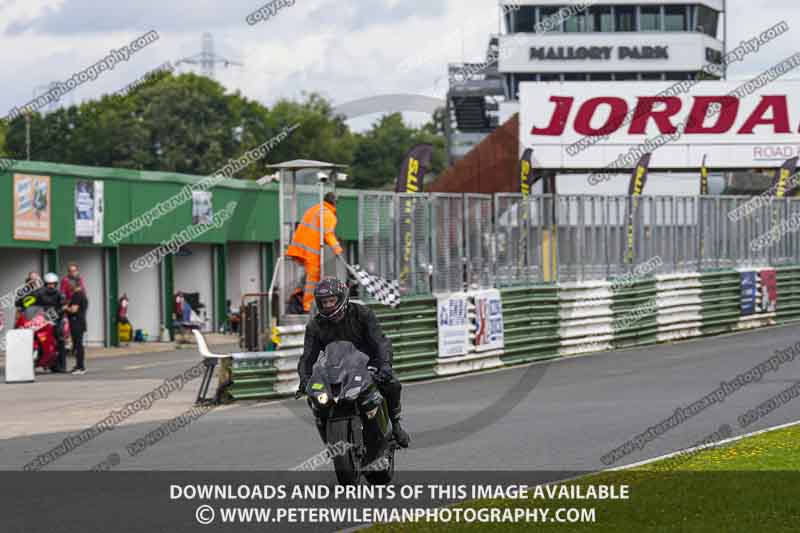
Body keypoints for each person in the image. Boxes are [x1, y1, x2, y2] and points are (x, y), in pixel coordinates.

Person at [296, 277, 410, 448]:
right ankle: (330, 439)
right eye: (324, 302)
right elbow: (307, 357)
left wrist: (385, 365)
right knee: (314, 398)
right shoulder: (315, 326)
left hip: (368, 363)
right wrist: (305, 379)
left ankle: (396, 425)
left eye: (331, 300)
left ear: (342, 298)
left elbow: (380, 341)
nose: (328, 305)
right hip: (334, 370)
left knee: (392, 384)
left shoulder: (362, 314)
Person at [286, 192, 344, 313]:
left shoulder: (316, 209)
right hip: (312, 249)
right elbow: (328, 234)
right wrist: (337, 249)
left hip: (303, 248)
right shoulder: (327, 214)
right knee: (313, 278)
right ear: (334, 202)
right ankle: (308, 307)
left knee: (310, 278)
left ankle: (299, 297)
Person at [33, 273, 67, 372]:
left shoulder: (60, 294)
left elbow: (63, 306)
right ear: (45, 283)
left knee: (60, 340)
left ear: (56, 284)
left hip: (56, 319)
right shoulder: (39, 293)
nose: (51, 285)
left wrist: (55, 315)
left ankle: (62, 365)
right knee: (36, 339)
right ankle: (37, 361)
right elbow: (31, 304)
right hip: (41, 319)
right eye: (48, 283)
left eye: (53, 284)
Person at [66, 284, 89, 375]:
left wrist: (65, 308)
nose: (69, 287)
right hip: (80, 323)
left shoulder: (77, 295)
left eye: (69, 285)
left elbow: (74, 310)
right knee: (77, 345)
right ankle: (78, 366)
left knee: (78, 345)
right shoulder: (82, 295)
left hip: (77, 323)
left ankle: (81, 367)